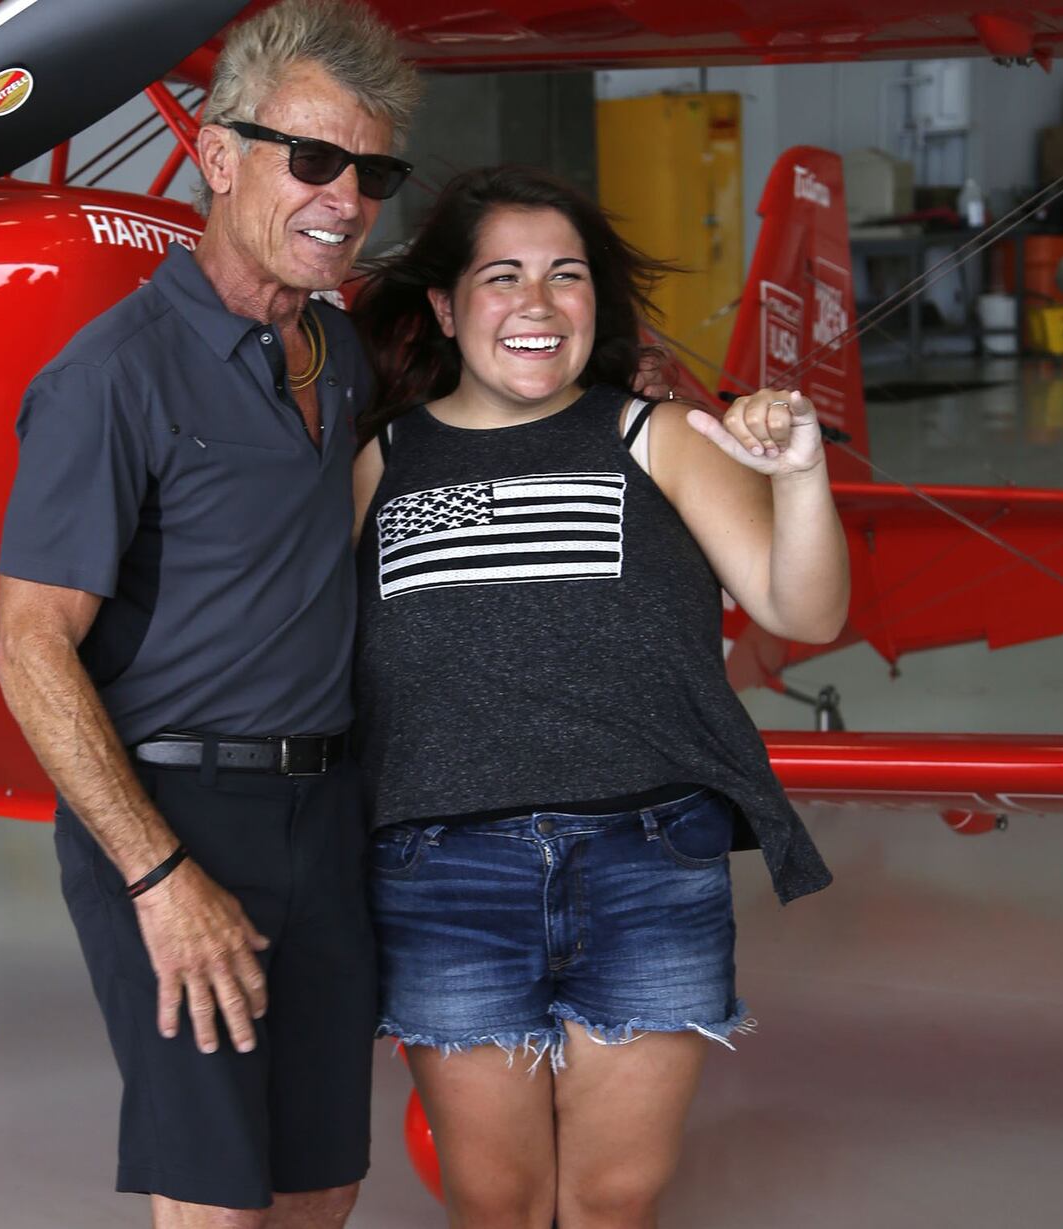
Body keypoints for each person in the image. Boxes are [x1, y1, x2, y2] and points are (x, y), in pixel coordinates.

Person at [348, 165, 848, 1228]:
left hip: (645, 863)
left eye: (565, 275)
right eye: (502, 276)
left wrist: (800, 476)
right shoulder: (378, 460)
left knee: (616, 1196)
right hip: (443, 874)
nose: (536, 303)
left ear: (595, 303)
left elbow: (801, 610)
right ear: (444, 306)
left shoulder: (653, 436)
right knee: (495, 1198)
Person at [0, 3, 420, 1224]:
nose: (345, 197)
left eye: (372, 171)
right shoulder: (108, 376)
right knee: (215, 1199)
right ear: (220, 158)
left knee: (320, 1176)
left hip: (323, 809)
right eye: (314, 158)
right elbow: (26, 647)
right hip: (176, 816)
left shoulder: (334, 354)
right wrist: (159, 873)